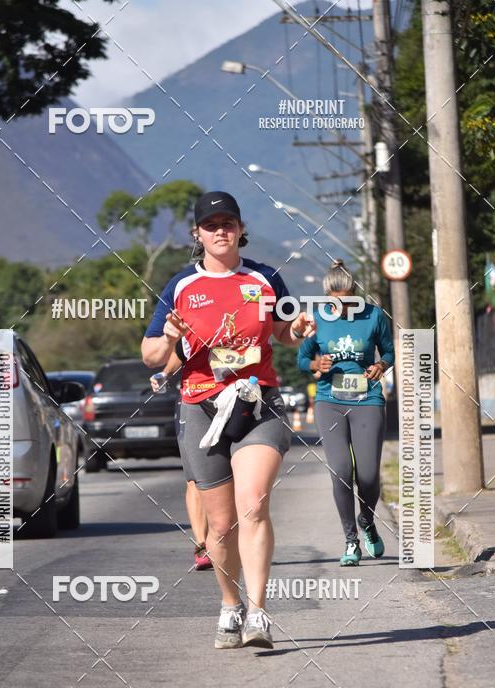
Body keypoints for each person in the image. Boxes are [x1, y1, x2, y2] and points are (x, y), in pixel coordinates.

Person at [142, 190, 315, 649]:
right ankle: (230, 605)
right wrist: (172, 337)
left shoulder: (265, 277)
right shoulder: (181, 286)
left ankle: (259, 614)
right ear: (197, 234)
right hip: (200, 405)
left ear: (240, 229)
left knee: (254, 503)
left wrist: (297, 330)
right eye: (211, 224)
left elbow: (284, 332)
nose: (220, 230)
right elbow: (150, 354)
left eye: (228, 223)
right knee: (220, 526)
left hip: (257, 403)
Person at [297, 259, 395, 566]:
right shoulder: (317, 320)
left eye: (347, 297)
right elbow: (303, 358)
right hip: (330, 400)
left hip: (367, 400)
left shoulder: (374, 316)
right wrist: (316, 365)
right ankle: (350, 539)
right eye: (335, 299)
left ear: (354, 292)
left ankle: (367, 520)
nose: (341, 304)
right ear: (327, 296)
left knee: (367, 474)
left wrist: (381, 365)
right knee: (340, 472)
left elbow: (389, 350)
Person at [149, 347, 212, 571]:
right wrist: (166, 372)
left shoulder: (248, 312)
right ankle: (202, 545)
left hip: (237, 394)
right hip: (194, 397)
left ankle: (226, 540)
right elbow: (152, 355)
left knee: (232, 475)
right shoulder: (185, 313)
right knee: (195, 478)